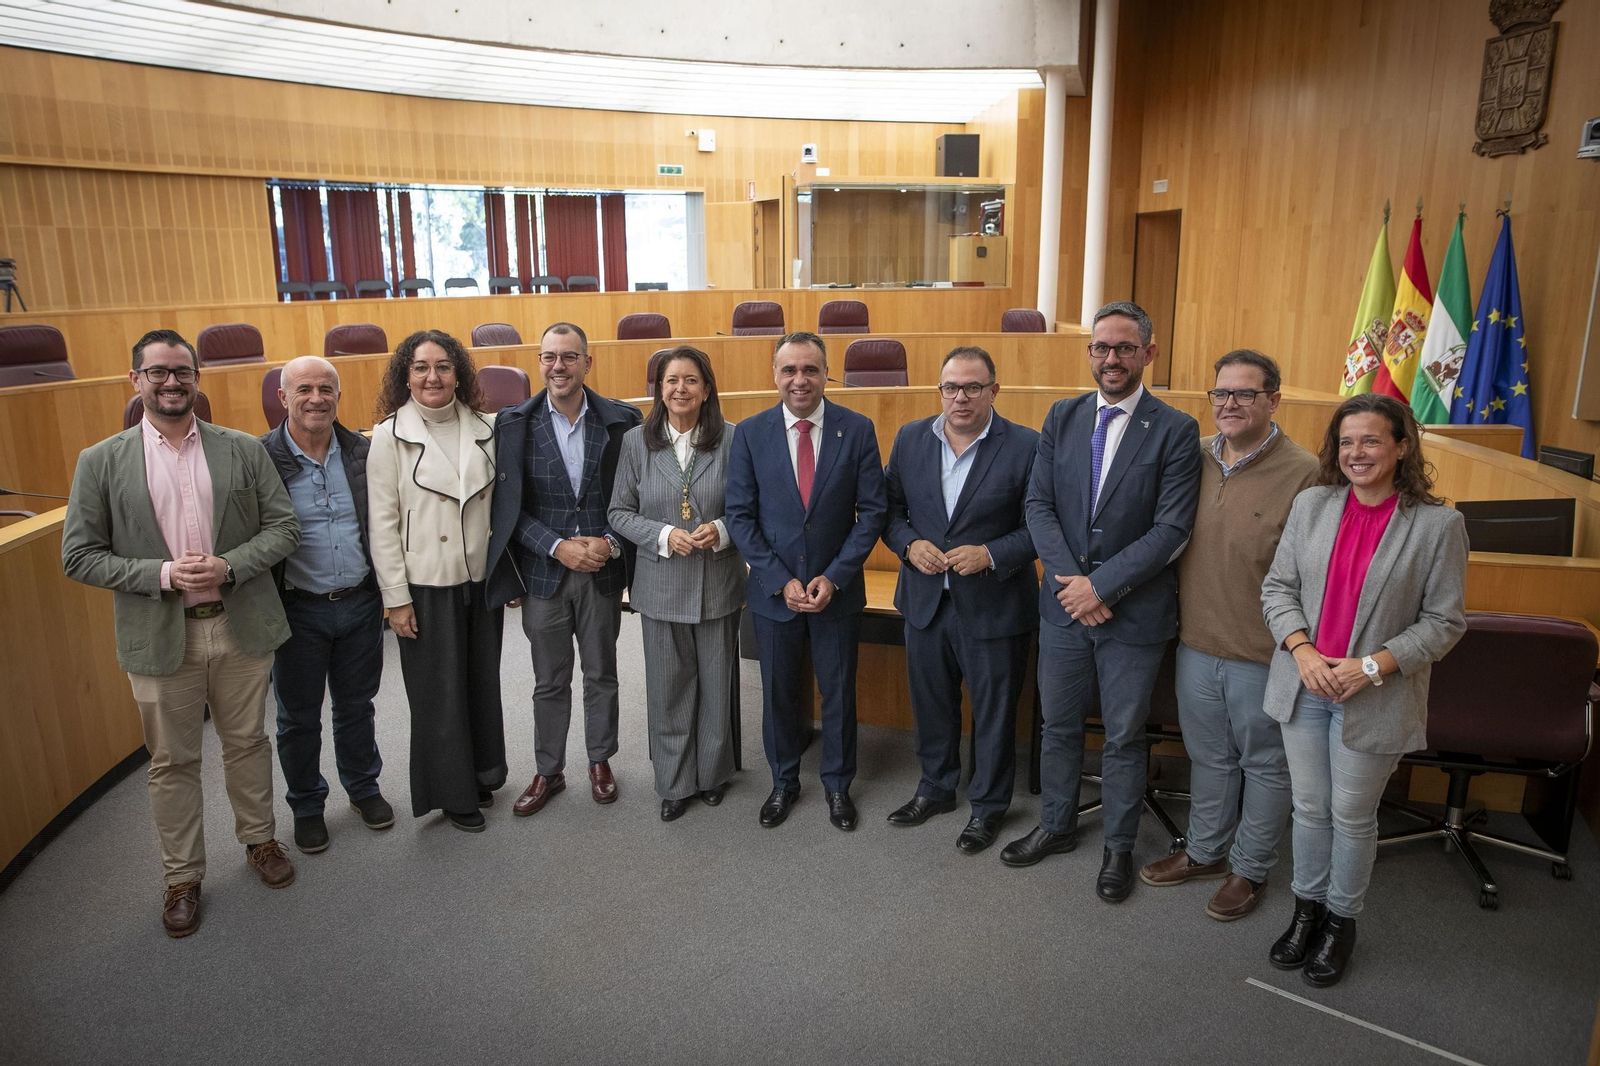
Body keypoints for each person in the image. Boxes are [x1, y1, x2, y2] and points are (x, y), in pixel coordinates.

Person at [62, 328, 301, 938]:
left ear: (197, 379)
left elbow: (283, 528)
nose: (172, 382)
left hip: (239, 624)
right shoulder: (101, 461)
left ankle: (259, 842)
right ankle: (182, 877)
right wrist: (162, 573)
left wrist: (231, 565)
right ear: (135, 380)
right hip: (160, 635)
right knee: (173, 761)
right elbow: (80, 556)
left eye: (182, 371)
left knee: (248, 743)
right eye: (158, 372)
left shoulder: (243, 450)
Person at [1260, 392, 1467, 988]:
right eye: (1347, 442)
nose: (1357, 453)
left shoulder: (1438, 526)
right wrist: (1302, 651)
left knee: (1351, 816)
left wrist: (1370, 668)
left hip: (1374, 694)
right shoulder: (1312, 505)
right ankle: (1306, 911)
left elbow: (1444, 622)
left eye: (1372, 440)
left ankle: (1340, 924)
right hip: (1305, 685)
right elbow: (1279, 588)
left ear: (1402, 447)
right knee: (1309, 808)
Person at [1004, 300, 1201, 904]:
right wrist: (1073, 584)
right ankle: (1059, 825)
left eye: (1123, 348)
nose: (1111, 358)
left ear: (1148, 353)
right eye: (1101, 348)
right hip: (1065, 607)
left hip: (1132, 615)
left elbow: (1171, 530)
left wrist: (1101, 586)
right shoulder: (1061, 417)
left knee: (1122, 736)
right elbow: (1038, 507)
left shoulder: (1175, 429)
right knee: (1057, 725)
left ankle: (1118, 845)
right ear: (1089, 353)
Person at [1138, 350, 1317, 920]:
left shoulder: (1306, 472)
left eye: (1244, 394)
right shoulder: (1194, 457)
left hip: (1265, 653)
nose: (1230, 404)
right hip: (1196, 643)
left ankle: (1249, 869)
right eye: (1221, 394)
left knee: (1265, 765)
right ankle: (1206, 852)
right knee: (1209, 757)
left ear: (1273, 401)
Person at [725, 330, 888, 831]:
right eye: (789, 370)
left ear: (825, 373)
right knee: (778, 691)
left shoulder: (856, 429)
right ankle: (784, 781)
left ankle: (838, 786)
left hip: (834, 593)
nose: (800, 380)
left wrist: (834, 577)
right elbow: (739, 515)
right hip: (776, 596)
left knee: (838, 692)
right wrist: (778, 579)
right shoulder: (750, 433)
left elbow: (873, 512)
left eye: (810, 369)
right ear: (775, 375)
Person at [881, 346, 1038, 854]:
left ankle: (988, 808)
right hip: (926, 602)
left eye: (973, 387)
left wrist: (992, 553)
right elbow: (888, 510)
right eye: (951, 387)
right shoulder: (910, 439)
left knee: (993, 713)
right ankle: (936, 788)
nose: (961, 397)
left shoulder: (1027, 447)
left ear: (995, 389)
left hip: (994, 604)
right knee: (932, 705)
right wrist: (909, 544)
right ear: (940, 391)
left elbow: (1042, 527)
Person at [485, 322, 641, 815]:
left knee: (602, 674)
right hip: (543, 577)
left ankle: (600, 760)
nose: (559, 366)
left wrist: (610, 544)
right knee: (548, 680)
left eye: (569, 357)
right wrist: (556, 547)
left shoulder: (623, 422)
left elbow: (634, 499)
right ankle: (548, 770)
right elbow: (507, 508)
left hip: (602, 571)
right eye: (549, 357)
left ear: (587, 363)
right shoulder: (512, 423)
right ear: (539, 363)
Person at [367, 329, 505, 832]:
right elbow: (382, 523)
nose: (433, 376)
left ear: (458, 373)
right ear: (406, 375)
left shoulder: (487, 426)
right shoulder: (388, 435)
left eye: (443, 366)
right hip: (424, 584)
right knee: (438, 693)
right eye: (421, 367)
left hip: (478, 578)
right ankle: (452, 794)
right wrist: (396, 599)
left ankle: (480, 773)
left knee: (480, 682)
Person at [608, 346, 747, 821]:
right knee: (668, 689)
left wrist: (723, 530)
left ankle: (711, 775)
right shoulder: (635, 443)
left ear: (707, 389)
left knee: (715, 685)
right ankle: (673, 781)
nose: (681, 389)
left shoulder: (733, 439)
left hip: (718, 582)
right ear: (660, 390)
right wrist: (664, 534)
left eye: (691, 380)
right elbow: (619, 512)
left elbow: (751, 509)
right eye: (671, 381)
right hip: (661, 584)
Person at [260, 355, 392, 855]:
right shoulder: (262, 457)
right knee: (298, 717)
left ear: (338, 395)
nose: (316, 398)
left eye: (325, 389)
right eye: (304, 389)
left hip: (359, 603)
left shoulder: (363, 450)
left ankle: (363, 788)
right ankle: (308, 805)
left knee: (357, 705)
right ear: (283, 397)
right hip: (297, 609)